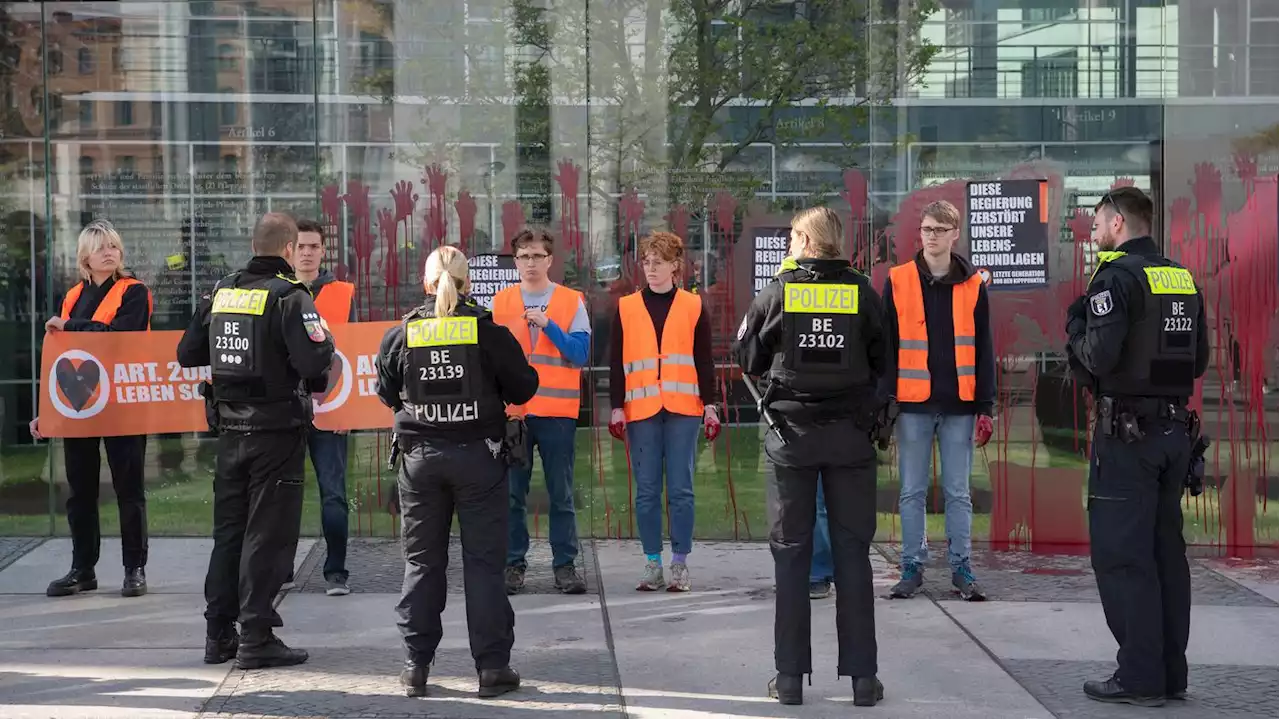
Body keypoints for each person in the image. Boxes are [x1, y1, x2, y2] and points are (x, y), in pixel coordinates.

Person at [733, 206, 887, 707]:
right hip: (850, 438)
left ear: (803, 240)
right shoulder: (864, 291)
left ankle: (791, 678)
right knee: (852, 556)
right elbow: (887, 362)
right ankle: (864, 680)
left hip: (791, 438)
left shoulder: (780, 290)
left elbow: (748, 357)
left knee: (792, 556)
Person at [1066, 186, 1209, 707]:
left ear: (1119, 223)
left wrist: (1075, 328)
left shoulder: (1115, 278)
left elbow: (1098, 358)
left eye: (1099, 223)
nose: (1096, 231)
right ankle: (1170, 672)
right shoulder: (1182, 278)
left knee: (1124, 556)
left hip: (1127, 438)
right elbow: (1197, 362)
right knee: (1166, 553)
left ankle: (1140, 675)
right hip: (1173, 434)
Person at [375, 245, 539, 699]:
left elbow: (386, 391)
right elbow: (525, 385)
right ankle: (491, 669)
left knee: (422, 564)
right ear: (468, 285)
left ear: (427, 284)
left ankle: (415, 667)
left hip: (420, 460)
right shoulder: (488, 332)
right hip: (479, 458)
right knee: (484, 565)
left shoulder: (403, 333)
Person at [177, 212, 335, 670]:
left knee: (228, 534)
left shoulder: (224, 290)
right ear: (288, 249)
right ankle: (257, 636)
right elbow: (313, 366)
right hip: (276, 434)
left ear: (254, 243)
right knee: (267, 535)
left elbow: (188, 353)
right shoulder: (291, 296)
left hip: (229, 433)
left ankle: (217, 634)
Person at [30, 219, 153, 599]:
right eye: (101, 247)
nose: (110, 252)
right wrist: (46, 412)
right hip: (78, 404)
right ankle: (82, 569)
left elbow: (121, 337)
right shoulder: (72, 296)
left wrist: (70, 325)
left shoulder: (135, 292)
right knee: (79, 492)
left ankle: (135, 569)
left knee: (128, 489)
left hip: (123, 402)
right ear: (85, 256)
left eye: (114, 245)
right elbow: (58, 358)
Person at [883, 200, 996, 602]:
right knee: (911, 491)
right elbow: (886, 347)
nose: (931, 236)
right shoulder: (898, 280)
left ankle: (961, 567)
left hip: (959, 403)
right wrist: (886, 399)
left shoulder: (973, 285)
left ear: (955, 234)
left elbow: (984, 347)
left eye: (939, 229)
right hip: (913, 403)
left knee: (958, 492)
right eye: (927, 229)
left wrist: (986, 405)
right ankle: (912, 566)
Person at [607, 230, 720, 592]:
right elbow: (614, 362)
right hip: (641, 408)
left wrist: (711, 405)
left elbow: (704, 359)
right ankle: (652, 563)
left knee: (681, 488)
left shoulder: (693, 305)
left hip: (683, 407)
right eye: (646, 262)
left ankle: (680, 563)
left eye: (659, 262)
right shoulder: (626, 307)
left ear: (676, 266)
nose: (651, 268)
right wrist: (615, 407)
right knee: (647, 490)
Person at [493, 228, 589, 596]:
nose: (530, 263)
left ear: (549, 260)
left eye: (537, 256)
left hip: (556, 414)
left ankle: (565, 566)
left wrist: (549, 327)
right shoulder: (500, 304)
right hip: (514, 414)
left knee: (560, 494)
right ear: (515, 261)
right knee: (512, 495)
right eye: (523, 256)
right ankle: (513, 565)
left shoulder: (569, 302)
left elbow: (579, 354)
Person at [292, 218, 355, 596]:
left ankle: (336, 572)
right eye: (300, 246)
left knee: (333, 493)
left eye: (313, 246)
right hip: (285, 407)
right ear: (289, 249)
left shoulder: (343, 293)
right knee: (284, 494)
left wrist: (354, 410)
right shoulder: (278, 291)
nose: (307, 252)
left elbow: (359, 350)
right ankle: (283, 567)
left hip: (332, 407)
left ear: (323, 250)